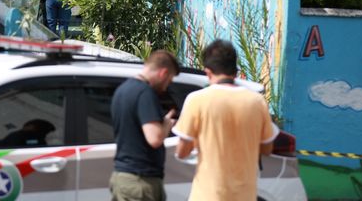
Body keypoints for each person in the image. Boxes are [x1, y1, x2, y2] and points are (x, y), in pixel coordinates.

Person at [173, 39, 279, 201]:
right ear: (235, 71)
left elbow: (181, 152)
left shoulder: (197, 100)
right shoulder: (257, 102)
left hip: (207, 195)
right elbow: (266, 149)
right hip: (245, 195)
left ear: (208, 72)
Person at [110, 50, 179, 201]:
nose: (166, 86)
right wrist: (167, 124)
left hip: (122, 177)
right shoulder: (145, 93)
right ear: (163, 73)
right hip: (140, 182)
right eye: (169, 80)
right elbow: (154, 138)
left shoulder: (122, 90)